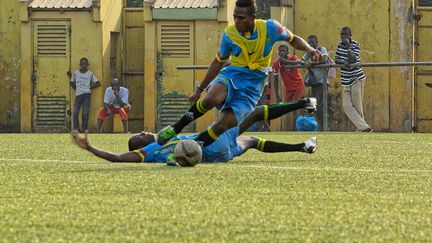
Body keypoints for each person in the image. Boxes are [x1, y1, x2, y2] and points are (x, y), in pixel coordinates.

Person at [156, 0, 322, 148]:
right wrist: (200, 90)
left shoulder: (270, 27)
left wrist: (310, 49)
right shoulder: (230, 34)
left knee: (223, 124)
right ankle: (175, 128)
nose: (236, 21)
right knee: (211, 99)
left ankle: (192, 149)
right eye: (234, 16)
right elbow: (218, 61)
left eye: (240, 17)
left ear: (252, 17)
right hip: (233, 74)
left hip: (253, 85)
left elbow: (293, 39)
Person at [72, 97, 318, 164]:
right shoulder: (148, 150)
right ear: (140, 144)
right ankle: (303, 103)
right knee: (253, 113)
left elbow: (117, 158)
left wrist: (90, 148)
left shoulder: (152, 153)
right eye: (140, 135)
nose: (145, 131)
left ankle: (302, 147)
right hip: (211, 143)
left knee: (252, 140)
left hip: (219, 156)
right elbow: (117, 158)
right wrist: (90, 146)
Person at [335, 27, 372, 132]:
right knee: (347, 106)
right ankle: (364, 127)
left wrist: (348, 47)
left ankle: (362, 129)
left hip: (356, 78)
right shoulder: (339, 45)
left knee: (358, 106)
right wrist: (343, 62)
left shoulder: (355, 44)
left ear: (350, 35)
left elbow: (353, 60)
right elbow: (336, 60)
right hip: (345, 80)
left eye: (346, 34)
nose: (343, 37)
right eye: (342, 34)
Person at [302, 35, 330, 131]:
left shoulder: (322, 49)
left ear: (316, 42)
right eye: (309, 43)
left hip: (322, 81)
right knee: (315, 105)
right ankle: (321, 127)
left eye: (312, 42)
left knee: (319, 104)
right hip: (314, 82)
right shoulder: (308, 52)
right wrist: (305, 63)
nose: (311, 44)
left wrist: (312, 64)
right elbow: (302, 61)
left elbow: (325, 60)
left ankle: (324, 127)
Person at [69, 57, 101, 132]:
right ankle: (76, 128)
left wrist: (90, 87)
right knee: (75, 111)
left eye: (85, 64)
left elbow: (98, 83)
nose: (83, 65)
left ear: (87, 65)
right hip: (78, 95)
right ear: (80, 64)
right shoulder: (75, 73)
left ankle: (84, 128)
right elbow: (71, 82)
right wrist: (77, 88)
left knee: (85, 112)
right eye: (82, 64)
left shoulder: (90, 74)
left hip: (87, 95)